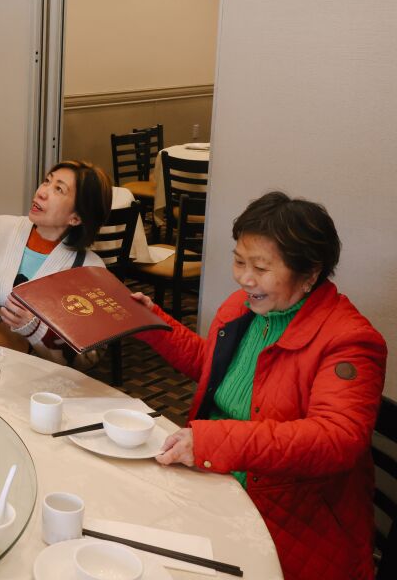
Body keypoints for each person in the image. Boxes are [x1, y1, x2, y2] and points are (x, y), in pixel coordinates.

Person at [132, 192, 384, 580]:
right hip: (213, 482)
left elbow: (337, 439)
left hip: (288, 518)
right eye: (238, 261)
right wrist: (153, 324)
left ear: (310, 273)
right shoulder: (243, 306)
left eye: (261, 268)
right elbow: (213, 368)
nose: (245, 279)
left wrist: (214, 442)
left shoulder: (348, 340)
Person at [0, 160, 112, 367]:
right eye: (47, 181)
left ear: (76, 217)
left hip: (31, 376)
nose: (42, 192)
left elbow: (88, 358)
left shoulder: (89, 270)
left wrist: (35, 328)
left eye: (58, 189)